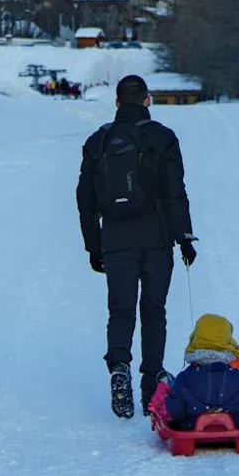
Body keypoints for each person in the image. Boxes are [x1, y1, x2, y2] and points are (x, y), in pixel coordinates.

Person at [77, 73, 196, 419]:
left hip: (116, 240)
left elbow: (86, 201)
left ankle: (119, 367)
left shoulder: (98, 141)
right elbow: (175, 192)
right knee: (154, 310)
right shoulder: (163, 138)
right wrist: (184, 237)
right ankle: (151, 384)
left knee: (121, 310)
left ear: (117, 103)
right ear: (147, 101)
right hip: (156, 239)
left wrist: (93, 246)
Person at [163, 313, 239, 431]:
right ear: (227, 341)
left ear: (196, 339)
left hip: (192, 426)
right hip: (238, 424)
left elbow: (176, 411)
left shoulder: (185, 377)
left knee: (174, 392)